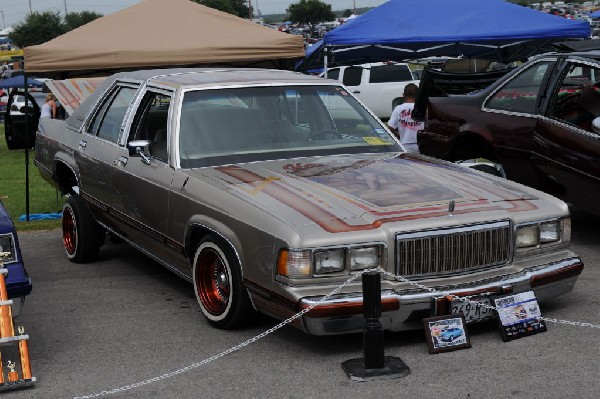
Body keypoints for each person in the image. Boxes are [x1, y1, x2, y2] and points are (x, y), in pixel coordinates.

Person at [387, 83, 424, 153]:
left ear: (403, 95)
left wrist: (398, 135)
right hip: (421, 145)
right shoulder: (423, 108)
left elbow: (390, 127)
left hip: (405, 145)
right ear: (418, 95)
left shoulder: (398, 109)